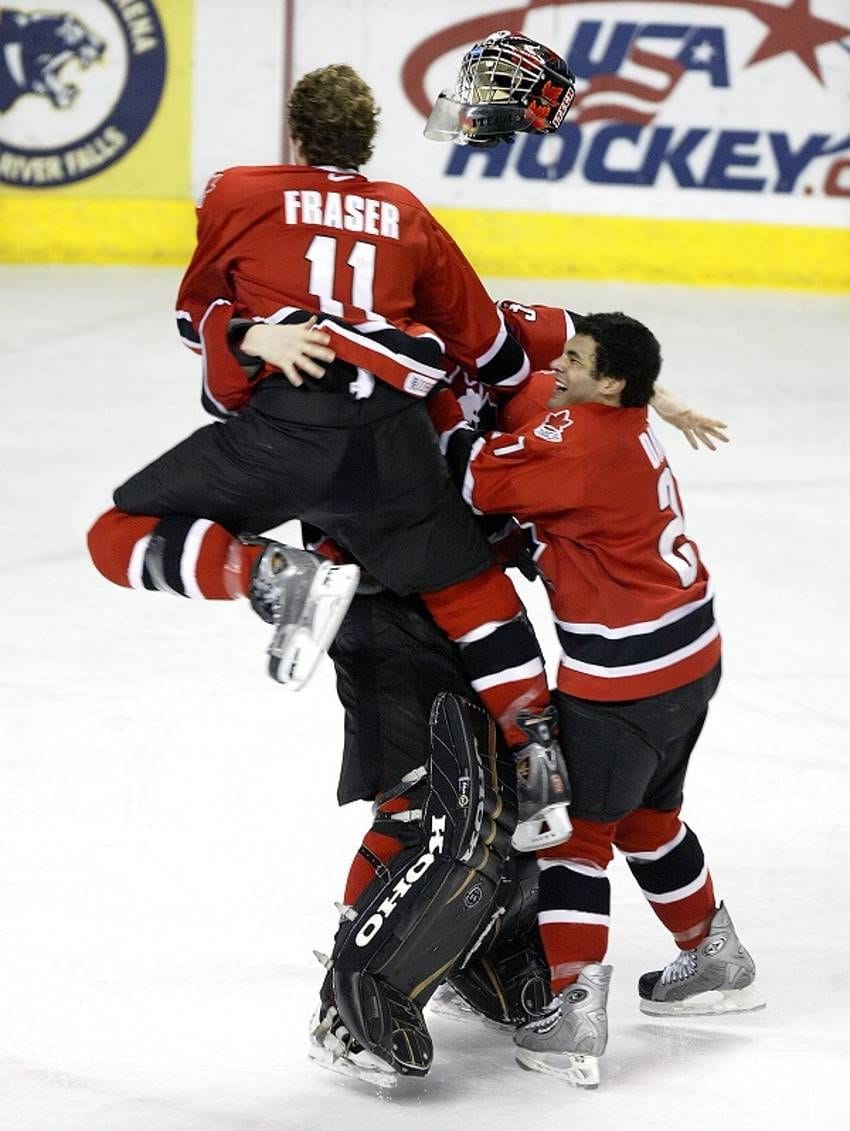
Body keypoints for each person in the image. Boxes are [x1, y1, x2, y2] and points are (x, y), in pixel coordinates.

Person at [87, 61, 574, 853]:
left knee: (116, 534)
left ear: (296, 133)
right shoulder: (405, 211)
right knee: (471, 590)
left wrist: (249, 332)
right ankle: (538, 752)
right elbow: (490, 347)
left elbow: (193, 318)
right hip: (392, 441)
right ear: (368, 140)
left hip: (286, 436)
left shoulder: (237, 191)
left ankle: (270, 574)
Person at [428, 310, 764, 1089]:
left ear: (610, 383)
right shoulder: (630, 421)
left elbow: (472, 474)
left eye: (574, 362)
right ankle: (714, 956)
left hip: (624, 687)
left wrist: (436, 392)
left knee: (573, 841)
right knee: (648, 819)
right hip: (691, 661)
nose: (558, 368)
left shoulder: (575, 437)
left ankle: (571, 1013)